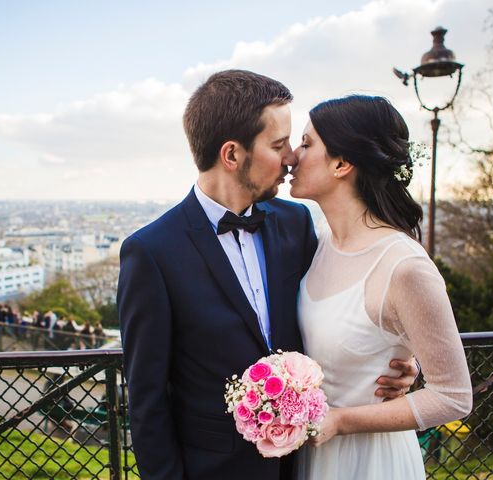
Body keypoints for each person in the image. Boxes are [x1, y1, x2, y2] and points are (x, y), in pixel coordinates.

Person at [117, 70, 418, 480]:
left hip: (309, 462)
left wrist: (394, 357)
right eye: (278, 145)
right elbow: (147, 401)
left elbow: (338, 310)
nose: (292, 156)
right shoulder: (151, 252)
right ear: (232, 155)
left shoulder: (296, 222)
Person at [289, 95, 472, 479]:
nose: (292, 155)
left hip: (371, 463)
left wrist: (341, 421)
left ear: (342, 163)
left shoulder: (403, 266)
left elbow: (454, 396)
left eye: (306, 144)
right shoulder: (321, 242)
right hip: (314, 458)